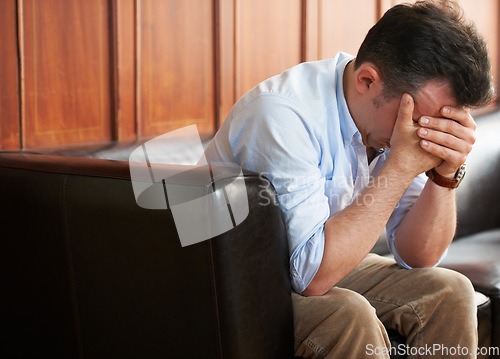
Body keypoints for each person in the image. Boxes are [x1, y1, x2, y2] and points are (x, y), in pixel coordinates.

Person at [204, 1, 494, 358]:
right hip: (229, 284)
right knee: (348, 316)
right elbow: (312, 277)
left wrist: (445, 174)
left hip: (311, 263)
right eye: (423, 122)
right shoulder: (282, 115)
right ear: (367, 80)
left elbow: (418, 256)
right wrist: (400, 168)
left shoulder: (394, 122)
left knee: (451, 291)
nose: (426, 137)